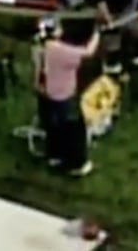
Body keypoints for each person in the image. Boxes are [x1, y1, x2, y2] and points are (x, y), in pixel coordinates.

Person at [33, 16, 99, 176]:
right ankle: (74, 164)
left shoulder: (38, 46)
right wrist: (97, 33)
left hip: (44, 92)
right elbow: (88, 52)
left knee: (51, 126)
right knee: (71, 129)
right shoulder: (61, 51)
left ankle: (54, 156)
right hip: (63, 95)